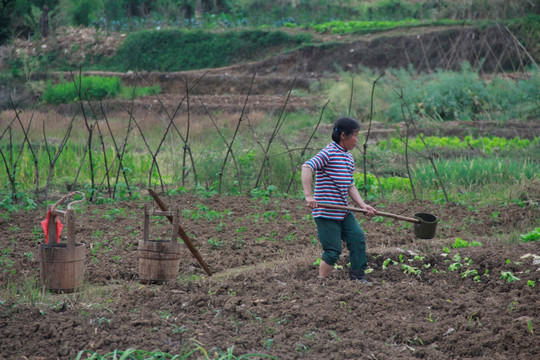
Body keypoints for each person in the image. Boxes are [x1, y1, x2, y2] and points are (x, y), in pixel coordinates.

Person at [302, 117, 377, 284]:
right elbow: (307, 167)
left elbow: (350, 186)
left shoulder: (348, 158)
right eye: (355, 135)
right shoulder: (328, 153)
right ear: (343, 135)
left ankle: (358, 277)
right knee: (333, 250)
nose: (357, 139)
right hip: (326, 213)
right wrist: (309, 196)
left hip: (343, 212)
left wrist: (363, 205)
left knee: (357, 238)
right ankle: (321, 283)